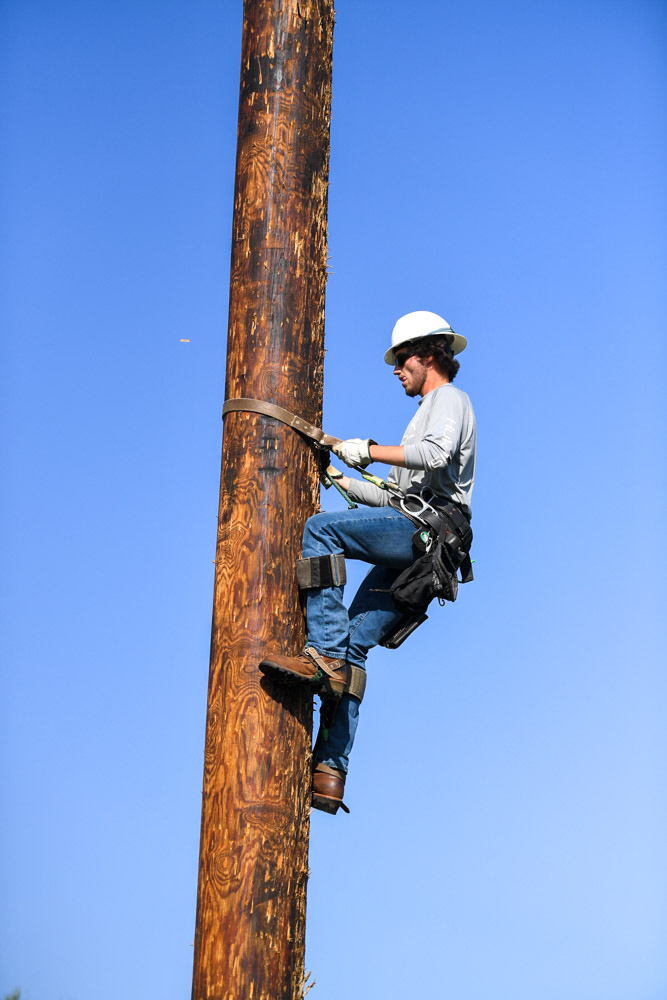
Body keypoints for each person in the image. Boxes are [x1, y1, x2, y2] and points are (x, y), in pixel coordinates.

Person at [259, 311, 477, 813]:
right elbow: (394, 497)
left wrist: (371, 450)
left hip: (423, 534)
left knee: (321, 529)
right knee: (358, 647)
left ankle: (323, 652)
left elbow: (435, 454)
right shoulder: (428, 409)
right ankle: (330, 770)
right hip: (424, 541)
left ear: (428, 356)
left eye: (402, 360)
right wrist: (340, 475)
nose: (397, 369)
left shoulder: (448, 400)